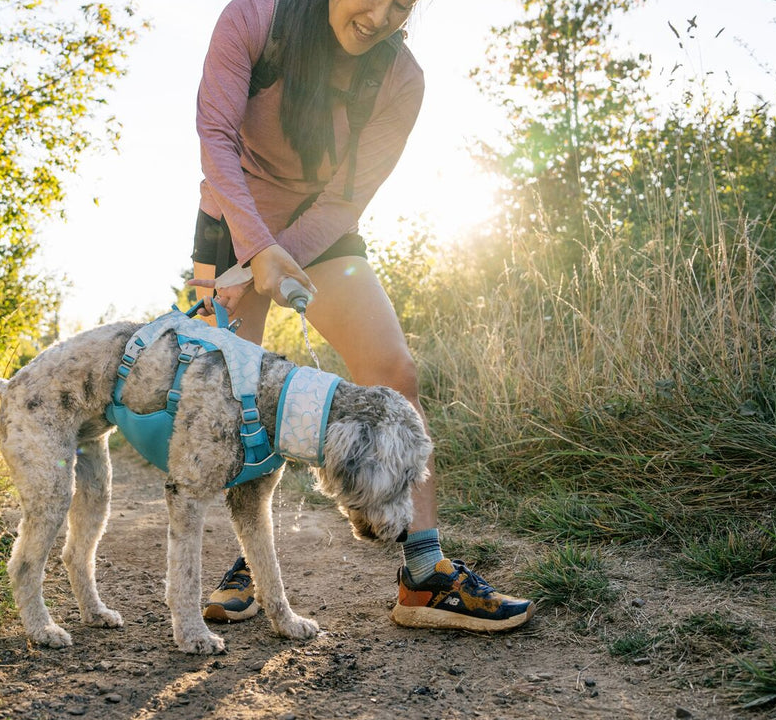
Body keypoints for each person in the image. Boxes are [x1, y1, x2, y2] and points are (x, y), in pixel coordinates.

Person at [187, 0, 535, 632]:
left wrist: (284, 253)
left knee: (394, 370)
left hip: (323, 226)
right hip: (232, 219)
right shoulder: (254, 18)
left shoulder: (403, 79)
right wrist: (248, 254)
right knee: (233, 397)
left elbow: (350, 195)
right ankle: (245, 563)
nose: (379, 16)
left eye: (401, 4)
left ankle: (425, 574)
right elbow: (214, 139)